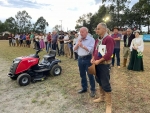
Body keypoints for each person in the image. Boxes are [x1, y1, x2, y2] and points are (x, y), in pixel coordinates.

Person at [91, 23, 114, 113]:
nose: (97, 30)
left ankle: (109, 104)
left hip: (104, 65)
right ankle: (102, 97)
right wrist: (93, 58)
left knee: (105, 83)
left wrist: (99, 61)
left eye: (98, 29)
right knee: (99, 81)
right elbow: (95, 51)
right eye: (96, 29)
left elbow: (109, 54)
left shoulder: (109, 39)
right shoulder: (98, 39)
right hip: (97, 64)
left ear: (104, 29)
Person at [73, 27, 96, 97]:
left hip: (87, 58)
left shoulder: (91, 39)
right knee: (82, 74)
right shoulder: (78, 39)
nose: (81, 33)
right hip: (80, 59)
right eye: (80, 32)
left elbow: (91, 50)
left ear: (87, 32)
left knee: (90, 74)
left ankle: (93, 89)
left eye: (82, 32)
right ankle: (84, 87)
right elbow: (74, 49)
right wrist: (78, 44)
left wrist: (82, 45)